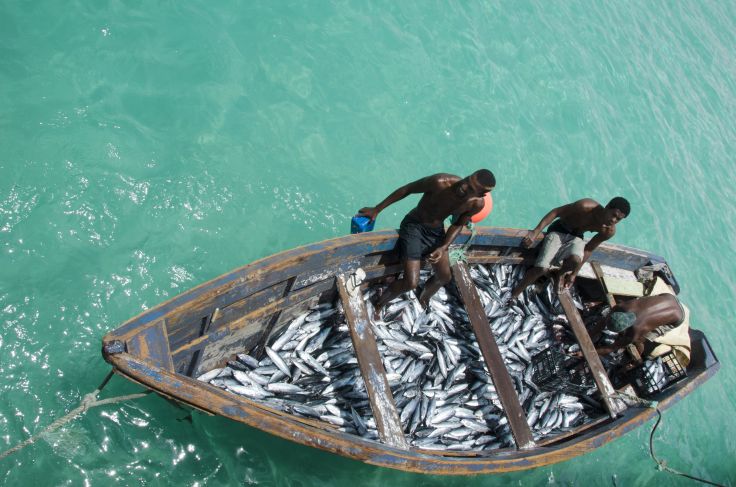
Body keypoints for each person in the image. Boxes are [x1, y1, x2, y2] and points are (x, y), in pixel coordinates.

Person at [358, 170, 495, 319]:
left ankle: (424, 297)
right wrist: (377, 209)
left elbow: (457, 224)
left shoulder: (476, 204)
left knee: (444, 277)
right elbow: (407, 189)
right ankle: (379, 304)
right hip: (414, 226)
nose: (463, 187)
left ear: (480, 195)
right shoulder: (440, 182)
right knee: (411, 282)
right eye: (467, 180)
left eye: (470, 189)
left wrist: (443, 247)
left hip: (435, 231)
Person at [509, 197, 630, 300]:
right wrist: (535, 232)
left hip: (577, 237)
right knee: (541, 268)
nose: (614, 220)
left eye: (618, 219)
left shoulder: (609, 230)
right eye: (613, 215)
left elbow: (588, 249)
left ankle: (560, 274)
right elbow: (556, 212)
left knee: (576, 260)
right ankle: (514, 295)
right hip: (560, 229)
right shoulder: (585, 206)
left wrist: (574, 274)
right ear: (607, 206)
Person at [589, 293, 689, 358]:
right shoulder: (621, 306)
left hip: (678, 317)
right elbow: (604, 320)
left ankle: (636, 360)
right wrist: (590, 335)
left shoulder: (637, 331)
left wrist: (589, 353)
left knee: (641, 340)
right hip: (669, 297)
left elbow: (612, 347)